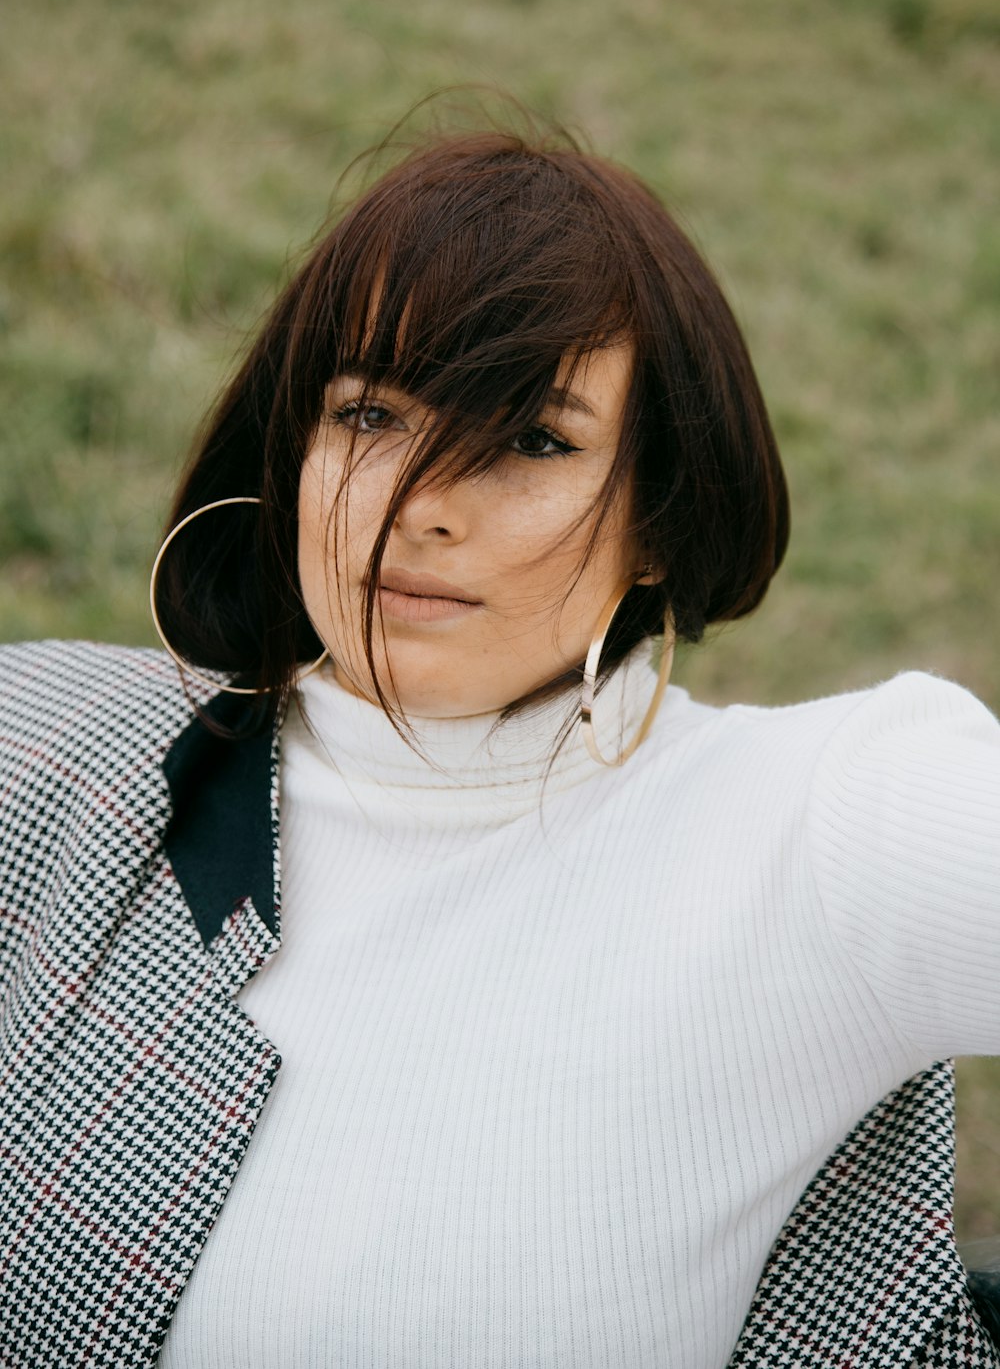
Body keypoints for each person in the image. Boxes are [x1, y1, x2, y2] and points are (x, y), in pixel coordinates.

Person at [0, 124, 998, 1369]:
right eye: (368, 412)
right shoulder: (45, 747)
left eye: (533, 439)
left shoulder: (821, 826)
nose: (423, 499)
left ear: (656, 518)